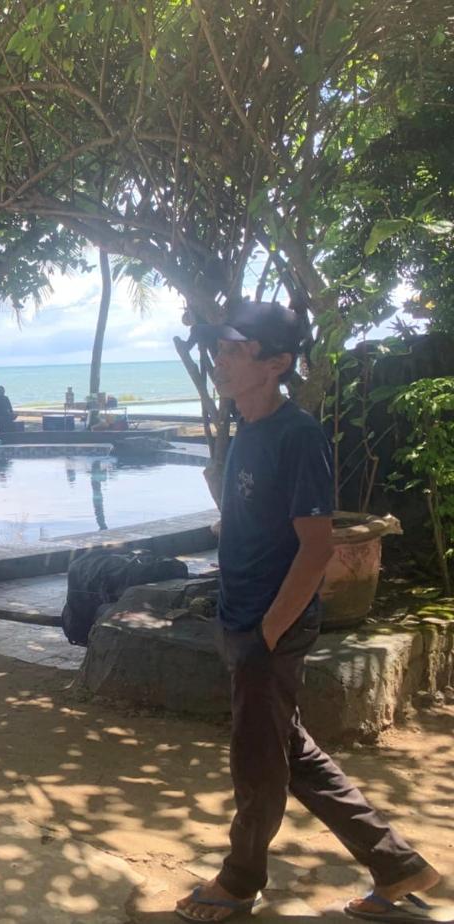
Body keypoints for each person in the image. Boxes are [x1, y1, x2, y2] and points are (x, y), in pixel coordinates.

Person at [175, 300, 441, 923]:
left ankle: (239, 881)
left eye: (234, 349)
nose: (219, 359)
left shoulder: (297, 435)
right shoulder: (250, 427)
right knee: (291, 753)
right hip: (243, 620)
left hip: (268, 628)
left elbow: (317, 546)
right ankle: (398, 866)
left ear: (276, 363)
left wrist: (268, 632)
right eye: (219, 348)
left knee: (258, 763)